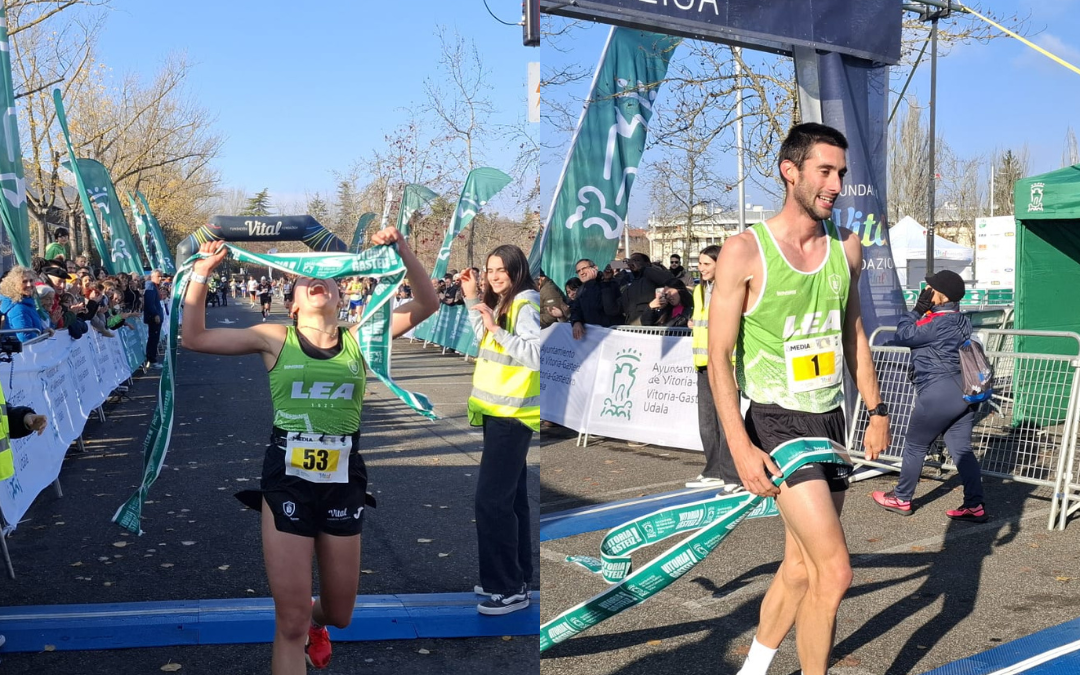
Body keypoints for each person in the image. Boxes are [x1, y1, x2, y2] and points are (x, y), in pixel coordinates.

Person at [181, 227, 437, 673]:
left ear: (342, 296)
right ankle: (301, 630)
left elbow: (428, 303)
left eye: (330, 278)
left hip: (344, 481)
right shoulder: (274, 338)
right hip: (287, 481)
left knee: (338, 614)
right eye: (306, 279)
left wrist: (402, 250)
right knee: (291, 621)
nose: (318, 281)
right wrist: (201, 274)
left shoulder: (362, 339)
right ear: (293, 301)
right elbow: (195, 338)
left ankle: (317, 623)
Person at [708, 123, 890, 675]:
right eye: (824, 172)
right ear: (791, 172)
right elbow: (718, 359)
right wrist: (738, 447)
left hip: (829, 418)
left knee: (800, 567)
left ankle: (753, 668)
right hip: (776, 421)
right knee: (834, 572)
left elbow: (853, 331)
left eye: (840, 173)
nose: (835, 184)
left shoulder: (847, 248)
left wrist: (877, 409)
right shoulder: (745, 251)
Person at [460, 245, 541, 616]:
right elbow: (486, 340)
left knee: (491, 501)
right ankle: (517, 577)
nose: (494, 275)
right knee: (511, 501)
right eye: (490, 269)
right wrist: (473, 300)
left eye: (501, 270)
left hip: (513, 414)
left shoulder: (525, 302)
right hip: (499, 411)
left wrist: (495, 326)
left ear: (516, 269)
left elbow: (534, 354)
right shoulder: (507, 301)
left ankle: (507, 587)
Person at [873, 270, 987, 522]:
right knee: (962, 450)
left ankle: (901, 498)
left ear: (942, 296)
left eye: (931, 288)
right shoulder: (962, 320)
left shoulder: (934, 323)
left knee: (915, 445)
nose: (926, 291)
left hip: (938, 392)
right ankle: (974, 505)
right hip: (965, 391)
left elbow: (903, 335)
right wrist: (928, 309)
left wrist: (916, 310)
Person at [687, 245, 742, 490]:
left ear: (721, 264)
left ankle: (733, 476)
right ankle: (714, 470)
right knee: (706, 422)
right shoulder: (699, 290)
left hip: (725, 364)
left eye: (706, 264)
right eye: (700, 264)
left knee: (727, 420)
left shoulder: (730, 289)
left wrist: (736, 365)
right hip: (703, 363)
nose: (701, 268)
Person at [568, 258, 622, 339]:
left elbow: (610, 308)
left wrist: (598, 281)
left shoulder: (610, 282)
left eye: (584, 268)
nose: (581, 273)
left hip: (610, 334)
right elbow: (576, 309)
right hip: (592, 337)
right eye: (578, 271)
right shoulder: (581, 289)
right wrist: (576, 321)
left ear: (595, 268)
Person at [620, 252, 674, 326]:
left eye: (637, 260)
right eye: (631, 261)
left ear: (647, 263)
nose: (633, 263)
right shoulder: (628, 281)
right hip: (633, 325)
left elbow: (669, 280)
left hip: (650, 324)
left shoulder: (652, 275)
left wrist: (643, 269)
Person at [0, 266, 49, 341]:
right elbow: (26, 338)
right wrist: (43, 336)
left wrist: (44, 332)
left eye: (31, 280)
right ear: (13, 285)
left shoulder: (27, 303)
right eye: (24, 281)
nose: (29, 284)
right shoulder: (18, 308)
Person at [143, 270, 164, 370]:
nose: (160, 278)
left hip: (156, 316)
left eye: (161, 276)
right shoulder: (150, 285)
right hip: (153, 318)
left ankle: (152, 358)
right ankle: (152, 359)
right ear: (152, 276)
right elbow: (149, 302)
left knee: (154, 338)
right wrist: (155, 314)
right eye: (158, 276)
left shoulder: (154, 286)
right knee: (153, 338)